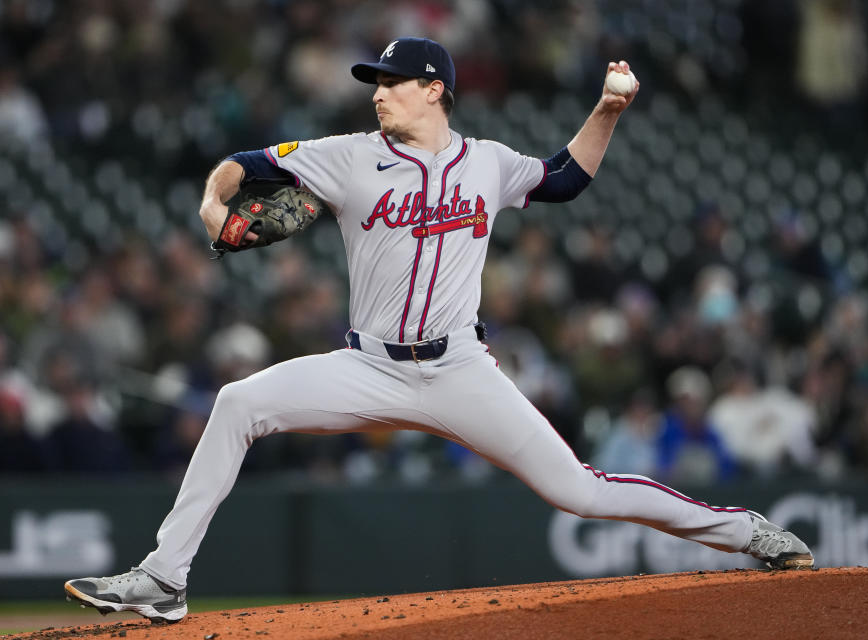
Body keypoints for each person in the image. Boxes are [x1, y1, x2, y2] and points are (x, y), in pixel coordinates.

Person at [64, 37, 813, 624]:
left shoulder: (486, 163)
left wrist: (607, 111)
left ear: (435, 90)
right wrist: (211, 205)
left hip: (459, 369)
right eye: (375, 83)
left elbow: (563, 179)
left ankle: (744, 531)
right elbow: (239, 166)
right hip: (368, 366)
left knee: (579, 492)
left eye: (390, 82)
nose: (379, 93)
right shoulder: (347, 156)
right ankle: (164, 580)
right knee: (236, 403)